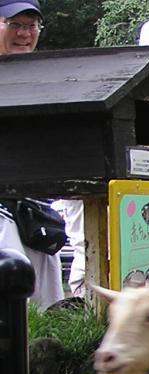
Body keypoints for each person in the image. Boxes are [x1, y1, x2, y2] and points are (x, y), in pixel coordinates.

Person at [0, 0, 63, 310]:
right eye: (14, 25)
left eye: (31, 26)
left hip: (35, 217)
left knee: (45, 312)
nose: (24, 34)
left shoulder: (46, 81)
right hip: (3, 219)